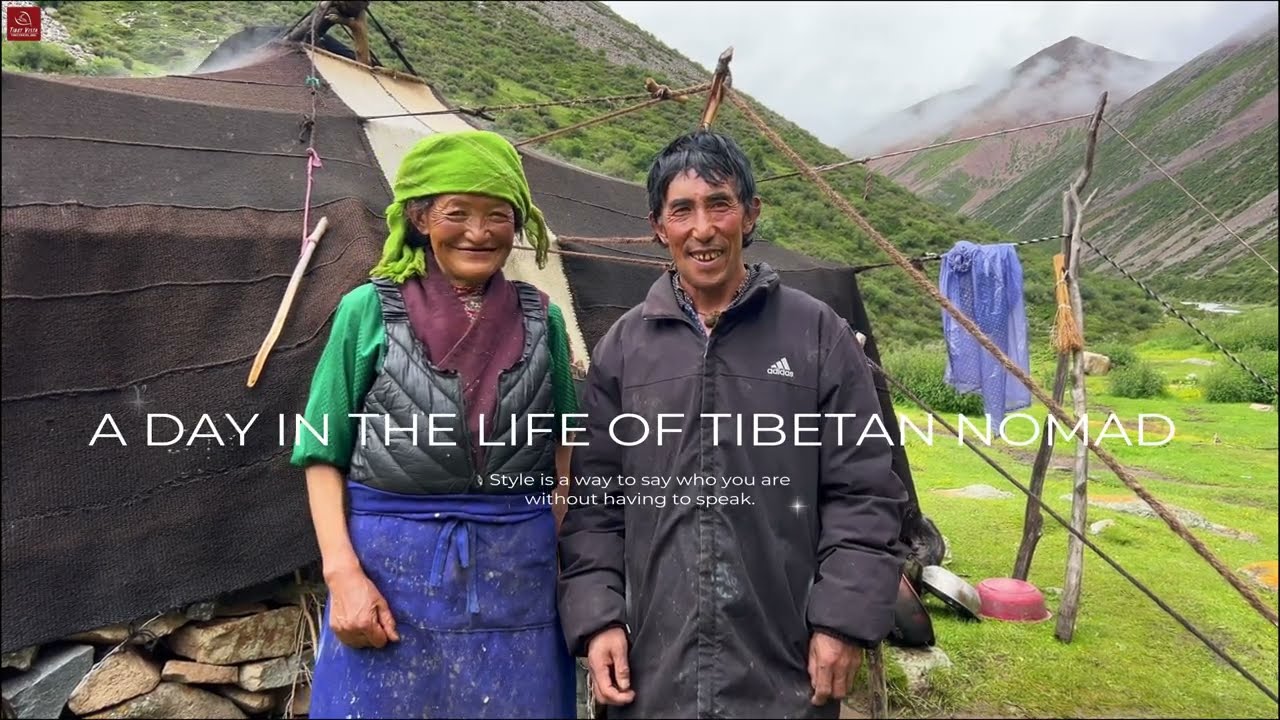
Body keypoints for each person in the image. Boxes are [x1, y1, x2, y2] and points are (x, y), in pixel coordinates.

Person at [557, 130, 909, 719]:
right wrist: (598, 619)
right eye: (682, 210)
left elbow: (865, 490)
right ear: (658, 226)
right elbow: (597, 504)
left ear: (750, 214)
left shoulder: (815, 334)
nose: (703, 228)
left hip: (787, 662)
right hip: (653, 667)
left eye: (719, 204)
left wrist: (842, 620)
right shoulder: (625, 348)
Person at [291, 130, 579, 719]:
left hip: (516, 574)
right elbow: (321, 452)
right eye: (458, 213)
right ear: (420, 218)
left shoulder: (542, 317)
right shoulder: (367, 309)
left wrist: (550, 537)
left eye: (498, 215)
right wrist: (343, 574)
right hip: (389, 570)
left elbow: (564, 447)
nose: (479, 232)